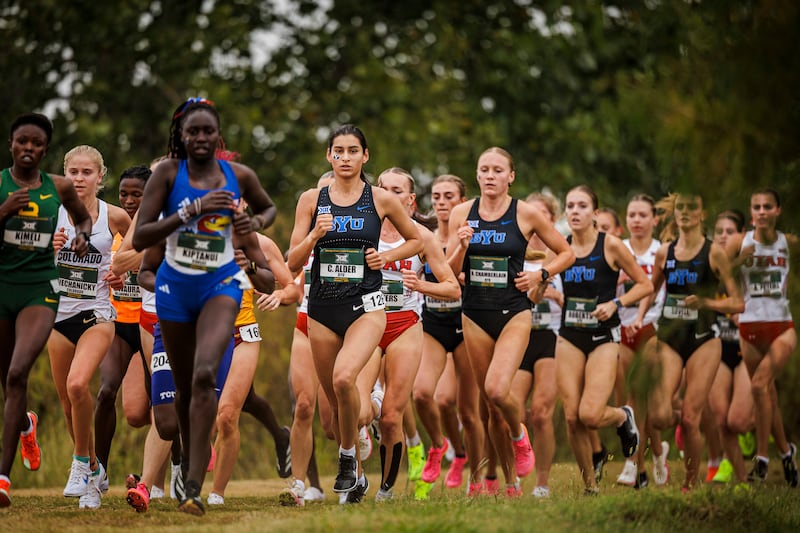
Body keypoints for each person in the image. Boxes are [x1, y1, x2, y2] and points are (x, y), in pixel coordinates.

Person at [132, 97, 276, 515]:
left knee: (204, 376)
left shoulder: (238, 176)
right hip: (176, 293)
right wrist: (190, 211)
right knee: (180, 395)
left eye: (207, 131)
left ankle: (193, 485)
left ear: (218, 135)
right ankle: (185, 467)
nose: (200, 138)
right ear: (181, 135)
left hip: (220, 288)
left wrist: (254, 225)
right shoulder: (167, 174)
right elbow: (141, 237)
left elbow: (267, 208)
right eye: (192, 131)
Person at [286, 124, 422, 499]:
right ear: (329, 156)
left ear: (365, 156)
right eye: (338, 151)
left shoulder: (381, 199)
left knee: (345, 378)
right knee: (335, 405)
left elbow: (416, 240)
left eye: (352, 151)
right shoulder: (310, 200)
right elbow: (292, 261)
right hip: (322, 308)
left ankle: (347, 458)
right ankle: (358, 475)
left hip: (367, 306)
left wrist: (387, 257)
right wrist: (314, 236)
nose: (345, 158)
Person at [446, 147, 574, 495]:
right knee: (490, 409)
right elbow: (449, 270)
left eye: (498, 170)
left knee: (496, 389)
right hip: (474, 313)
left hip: (514, 311)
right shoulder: (462, 213)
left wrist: (540, 274)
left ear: (511, 176)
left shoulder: (526, 213)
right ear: (477, 174)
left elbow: (567, 253)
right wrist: (461, 247)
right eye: (484, 169)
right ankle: (511, 482)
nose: (490, 176)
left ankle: (519, 435)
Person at [0, 113, 91, 508]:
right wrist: (4, 210)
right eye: (22, 141)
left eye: (36, 144)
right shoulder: (0, 186)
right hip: (3, 285)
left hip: (40, 288)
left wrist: (82, 236)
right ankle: (25, 424)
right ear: (11, 144)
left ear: (45, 149)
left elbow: (83, 218)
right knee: (6, 378)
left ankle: (2, 479)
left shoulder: (59, 186)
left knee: (18, 372)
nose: (28, 148)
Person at [365, 167, 460, 502]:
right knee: (358, 409)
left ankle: (386, 489)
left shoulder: (422, 236)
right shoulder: (364, 229)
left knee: (392, 416)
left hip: (404, 325)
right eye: (383, 188)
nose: (389, 195)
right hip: (366, 323)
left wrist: (421, 285)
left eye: (397, 190)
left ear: (410, 200)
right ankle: (356, 469)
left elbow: (452, 287)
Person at [47, 145, 131, 509]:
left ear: (100, 177)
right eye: (73, 172)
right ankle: (94, 474)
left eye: (86, 172)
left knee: (78, 384)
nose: (79, 179)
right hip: (57, 317)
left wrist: (122, 270)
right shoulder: (52, 213)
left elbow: (139, 247)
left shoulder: (114, 216)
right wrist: (48, 250)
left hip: (96, 315)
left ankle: (80, 462)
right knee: (69, 406)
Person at [555, 185, 651, 495]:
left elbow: (645, 285)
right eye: (570, 205)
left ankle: (623, 416)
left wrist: (616, 304)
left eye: (582, 206)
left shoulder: (610, 245)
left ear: (595, 213)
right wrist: (538, 287)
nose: (575, 211)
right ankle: (590, 486)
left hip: (603, 337)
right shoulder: (562, 247)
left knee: (590, 414)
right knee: (572, 417)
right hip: (569, 335)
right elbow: (544, 281)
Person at [645, 191, 743, 491]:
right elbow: (650, 289)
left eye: (692, 208)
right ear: (675, 214)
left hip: (704, 340)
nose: (685, 212)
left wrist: (706, 303)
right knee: (658, 417)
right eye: (680, 208)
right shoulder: (664, 252)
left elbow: (737, 303)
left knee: (691, 418)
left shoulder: (714, 253)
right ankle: (681, 420)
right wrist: (637, 315)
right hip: (670, 337)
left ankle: (690, 484)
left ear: (702, 214)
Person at [208, 230, 299, 505]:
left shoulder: (261, 244)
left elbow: (292, 288)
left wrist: (278, 295)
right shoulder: (195, 233)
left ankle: (216, 493)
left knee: (227, 415)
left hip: (242, 332)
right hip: (205, 333)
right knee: (210, 410)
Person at [413, 174, 482, 495]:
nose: (441, 202)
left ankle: (477, 477)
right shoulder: (422, 236)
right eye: (437, 196)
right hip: (433, 324)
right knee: (427, 395)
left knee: (468, 411)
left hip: (466, 324)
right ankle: (444, 447)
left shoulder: (472, 235)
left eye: (449, 196)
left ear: (462, 202)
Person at [727, 189, 798, 486]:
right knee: (767, 394)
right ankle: (787, 453)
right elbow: (720, 272)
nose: (762, 211)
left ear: (778, 210)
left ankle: (762, 459)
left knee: (759, 385)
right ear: (751, 211)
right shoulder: (738, 242)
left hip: (782, 328)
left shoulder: (788, 242)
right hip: (750, 328)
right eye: (756, 206)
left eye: (768, 206)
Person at [94, 165, 152, 490]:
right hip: (118, 325)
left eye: (136, 195)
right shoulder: (111, 231)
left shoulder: (158, 232)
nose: (128, 201)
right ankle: (99, 473)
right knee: (106, 393)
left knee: (158, 405)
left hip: (152, 326)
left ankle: (170, 474)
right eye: (123, 194)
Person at [508, 191, 563, 498]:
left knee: (541, 412)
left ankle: (542, 483)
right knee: (513, 410)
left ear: (551, 219)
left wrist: (555, 294)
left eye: (543, 214)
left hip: (550, 336)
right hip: (520, 336)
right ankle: (514, 476)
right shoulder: (515, 249)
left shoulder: (561, 253)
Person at [614, 194, 668, 489]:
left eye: (643, 215)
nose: (636, 220)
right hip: (621, 328)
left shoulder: (662, 251)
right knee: (629, 402)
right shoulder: (617, 248)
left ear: (654, 220)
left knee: (646, 403)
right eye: (632, 214)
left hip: (651, 329)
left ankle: (639, 460)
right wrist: (617, 281)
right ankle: (646, 459)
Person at [704, 209, 752, 484]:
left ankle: (757, 427)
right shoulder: (707, 267)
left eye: (730, 232)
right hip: (717, 348)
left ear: (743, 235)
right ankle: (740, 479)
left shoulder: (751, 267)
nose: (723, 237)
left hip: (749, 348)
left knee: (738, 421)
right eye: (719, 232)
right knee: (721, 419)